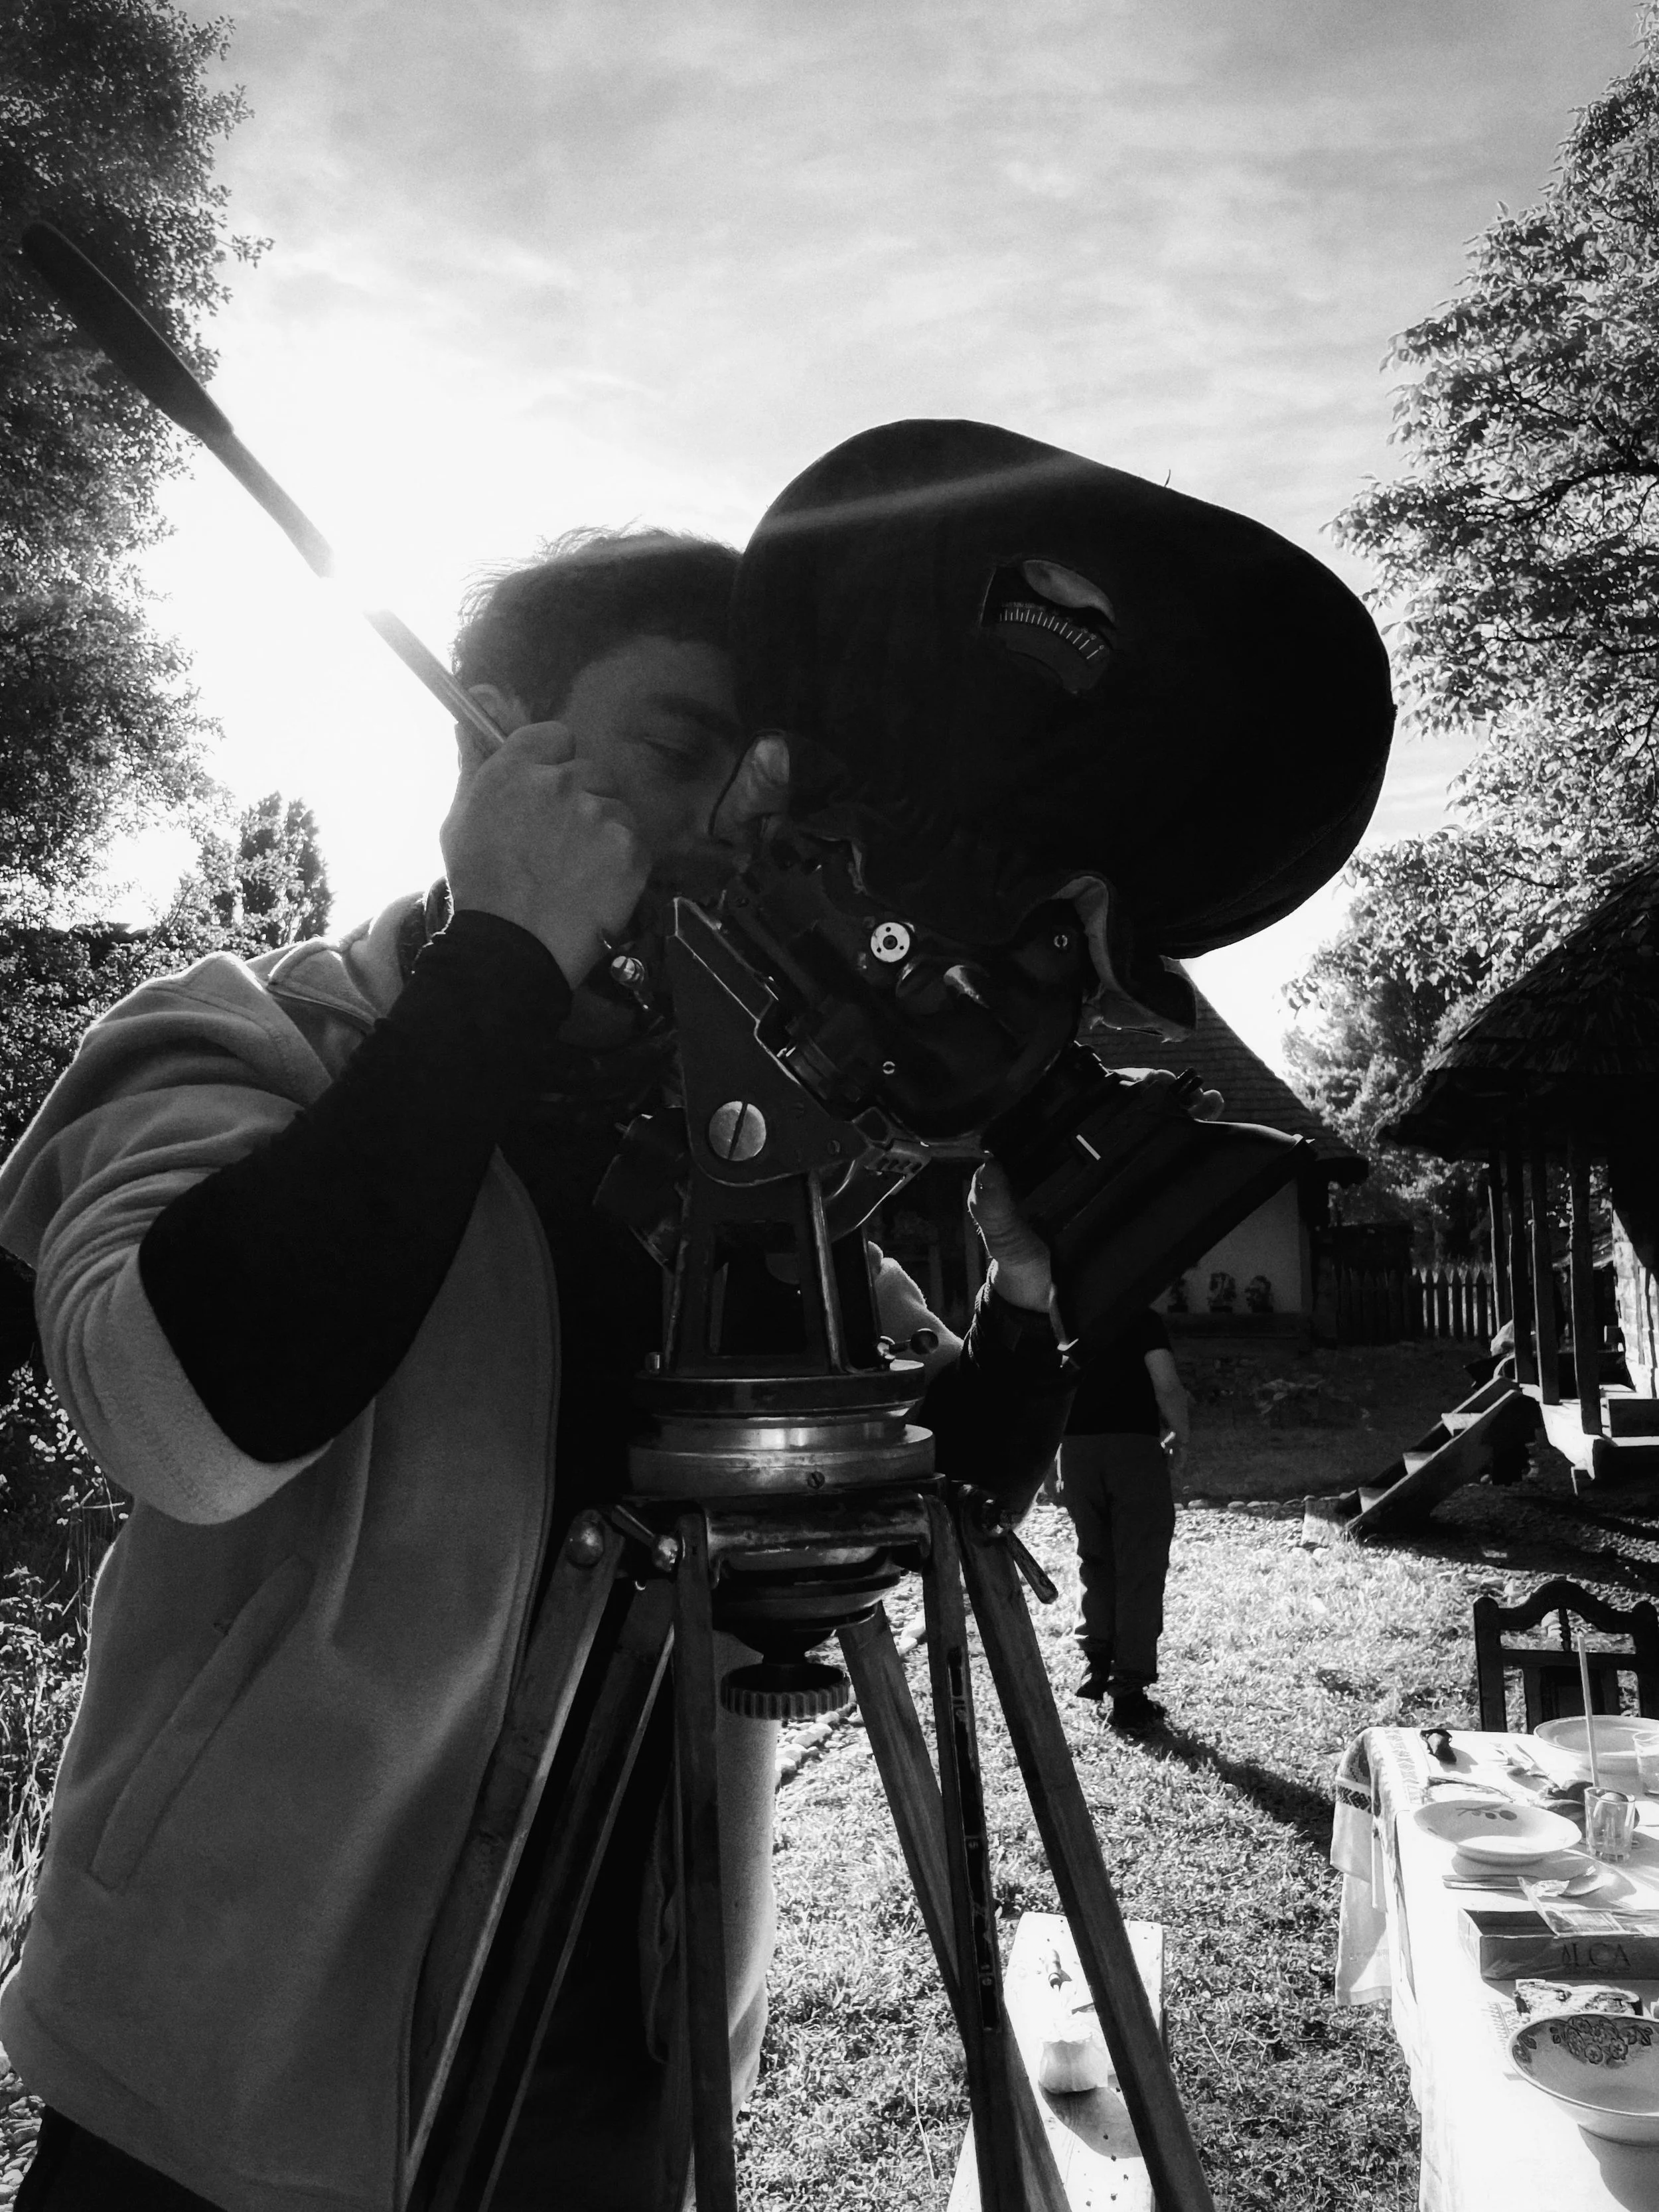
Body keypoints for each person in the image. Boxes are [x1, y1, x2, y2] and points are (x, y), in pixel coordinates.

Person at [0, 526, 1073, 2212]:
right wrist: (506, 948)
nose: (735, 812)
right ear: (502, 737)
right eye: (678, 746)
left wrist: (1028, 1303)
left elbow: (907, 1502)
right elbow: (190, 1420)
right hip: (218, 2076)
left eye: (769, 773)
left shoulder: (730, 1146)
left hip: (622, 2064)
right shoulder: (242, 1039)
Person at [1058, 1306, 1190, 1735]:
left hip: (1075, 1452)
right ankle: (1128, 1691)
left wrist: (1046, 1461)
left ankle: (1096, 1664)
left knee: (1095, 1557)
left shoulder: (1063, 1316)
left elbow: (1045, 1388)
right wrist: (1181, 1435)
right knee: (1140, 1565)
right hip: (1133, 1450)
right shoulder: (1140, 1318)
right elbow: (1167, 1385)